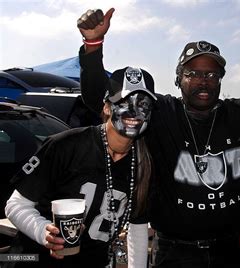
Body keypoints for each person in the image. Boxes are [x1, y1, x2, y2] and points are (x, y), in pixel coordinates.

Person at [76, 7, 240, 268]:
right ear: (178, 79)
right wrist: (93, 45)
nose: (203, 81)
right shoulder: (161, 113)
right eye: (193, 73)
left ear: (220, 80)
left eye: (211, 74)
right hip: (174, 253)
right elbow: (99, 98)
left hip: (230, 250)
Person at [5, 66, 156, 267]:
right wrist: (44, 232)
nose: (134, 111)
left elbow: (137, 227)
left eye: (143, 104)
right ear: (107, 107)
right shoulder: (66, 145)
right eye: (124, 102)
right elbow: (15, 205)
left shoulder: (143, 164)